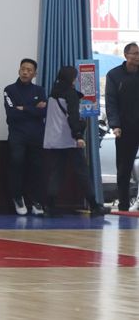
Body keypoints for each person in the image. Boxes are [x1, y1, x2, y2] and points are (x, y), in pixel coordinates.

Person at [43, 66, 105, 217]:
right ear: (72, 78)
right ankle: (94, 206)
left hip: (54, 139)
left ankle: (49, 207)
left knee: (56, 173)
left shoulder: (52, 93)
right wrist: (78, 136)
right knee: (82, 172)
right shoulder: (70, 94)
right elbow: (73, 117)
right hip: (70, 139)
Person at [4, 58, 47, 216]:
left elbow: (43, 112)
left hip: (36, 135)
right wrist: (33, 109)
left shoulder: (39, 91)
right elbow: (11, 114)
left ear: (34, 74)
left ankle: (36, 200)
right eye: (23, 69)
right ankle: (17, 197)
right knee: (17, 163)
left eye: (29, 70)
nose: (25, 72)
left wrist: (23, 108)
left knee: (37, 167)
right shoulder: (9, 90)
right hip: (17, 135)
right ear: (19, 70)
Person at [105, 42, 139, 212]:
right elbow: (110, 101)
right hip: (125, 128)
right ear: (126, 55)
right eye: (135, 53)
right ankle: (124, 205)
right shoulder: (114, 75)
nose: (138, 56)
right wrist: (115, 125)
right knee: (124, 168)